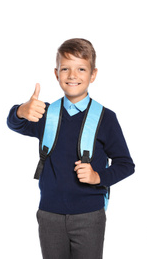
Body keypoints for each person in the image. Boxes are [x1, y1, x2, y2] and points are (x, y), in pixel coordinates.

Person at [9, 38, 135, 259]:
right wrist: (21, 110)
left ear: (93, 74)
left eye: (81, 69)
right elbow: (14, 123)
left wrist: (98, 177)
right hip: (49, 214)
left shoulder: (105, 118)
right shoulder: (45, 113)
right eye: (65, 69)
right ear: (56, 74)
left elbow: (126, 164)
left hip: (89, 215)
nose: (72, 75)